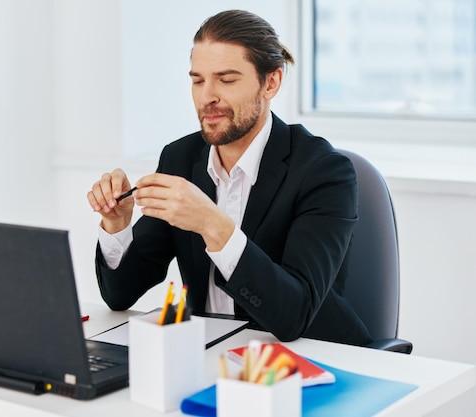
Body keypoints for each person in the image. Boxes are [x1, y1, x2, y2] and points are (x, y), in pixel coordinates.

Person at [87, 9, 371, 346]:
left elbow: (294, 315)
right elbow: (120, 296)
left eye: (227, 79)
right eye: (197, 80)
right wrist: (118, 227)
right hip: (210, 355)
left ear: (271, 82)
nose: (207, 96)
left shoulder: (324, 171)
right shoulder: (179, 158)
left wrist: (213, 225)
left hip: (312, 358)